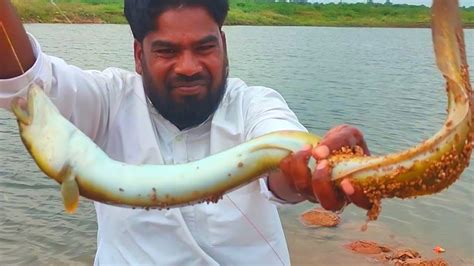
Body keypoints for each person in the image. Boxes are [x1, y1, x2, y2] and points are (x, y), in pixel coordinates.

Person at [0, 0, 371, 264]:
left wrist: (313, 171)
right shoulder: (108, 100)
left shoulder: (254, 105)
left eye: (204, 47)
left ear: (223, 46)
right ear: (139, 55)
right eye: (166, 51)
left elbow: (285, 160)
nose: (189, 67)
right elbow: (25, 83)